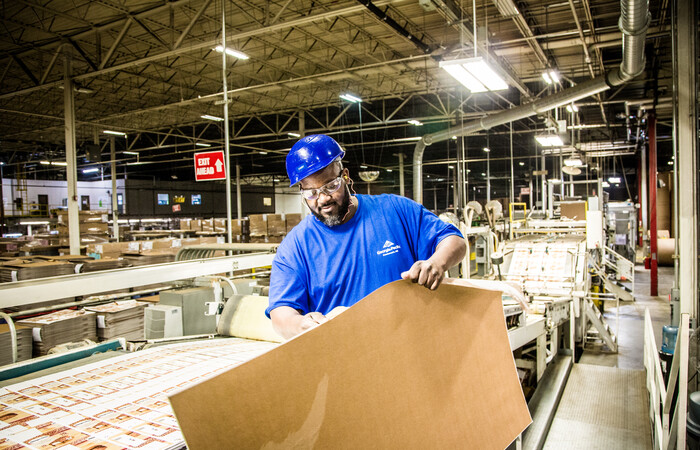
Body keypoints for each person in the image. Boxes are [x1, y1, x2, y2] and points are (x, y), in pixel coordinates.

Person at [266, 134, 466, 339]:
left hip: (412, 345)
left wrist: (437, 263)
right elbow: (281, 312)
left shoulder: (395, 210)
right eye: (312, 193)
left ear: (345, 176)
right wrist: (299, 324)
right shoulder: (295, 246)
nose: (323, 198)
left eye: (330, 186)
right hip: (346, 357)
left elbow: (455, 240)